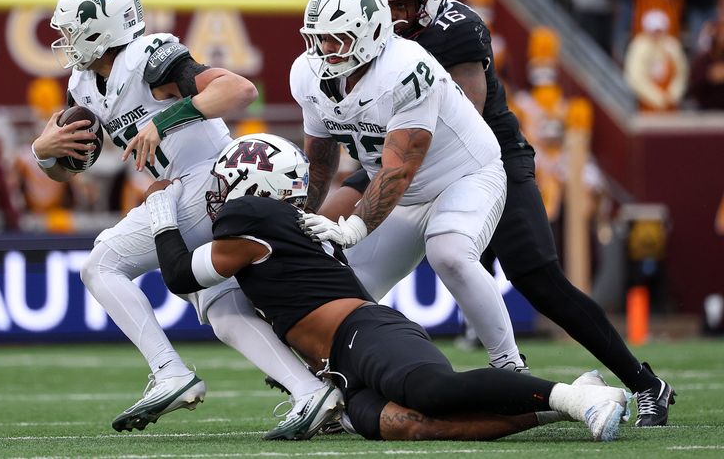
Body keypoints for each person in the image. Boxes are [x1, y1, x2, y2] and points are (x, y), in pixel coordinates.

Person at [319, 0, 674, 426]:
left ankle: (643, 382)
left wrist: (384, 173)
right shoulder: (373, 37)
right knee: (339, 254)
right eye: (387, 3)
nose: (393, 15)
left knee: (534, 275)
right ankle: (333, 384)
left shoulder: (457, 30)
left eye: (403, 4)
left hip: (480, 156)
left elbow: (469, 118)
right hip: (402, 156)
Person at [145, 132, 630, 442]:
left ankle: (571, 396)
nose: (217, 196)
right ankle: (562, 405)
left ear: (253, 189)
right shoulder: (280, 222)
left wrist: (163, 219)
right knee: (422, 426)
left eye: (225, 183)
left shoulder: (254, 221)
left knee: (436, 391)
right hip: (340, 367)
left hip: (364, 332)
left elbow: (179, 275)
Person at [31, 0, 338, 437]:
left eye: (71, 30)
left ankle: (169, 373)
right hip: (188, 191)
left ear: (102, 28)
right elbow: (66, 172)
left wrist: (167, 119)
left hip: (210, 179)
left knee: (101, 265)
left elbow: (239, 90)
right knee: (225, 311)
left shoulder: (147, 59)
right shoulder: (84, 85)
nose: (64, 41)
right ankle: (312, 393)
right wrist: (44, 152)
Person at [292, 0, 527, 373]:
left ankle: (509, 365)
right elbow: (319, 160)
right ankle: (336, 379)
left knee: (449, 253)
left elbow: (399, 170)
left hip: (464, 175)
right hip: (406, 193)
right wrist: (298, 217)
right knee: (347, 284)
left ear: (369, 33)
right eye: (318, 37)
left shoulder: (407, 69)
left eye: (337, 38)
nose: (324, 49)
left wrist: (354, 228)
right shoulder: (307, 74)